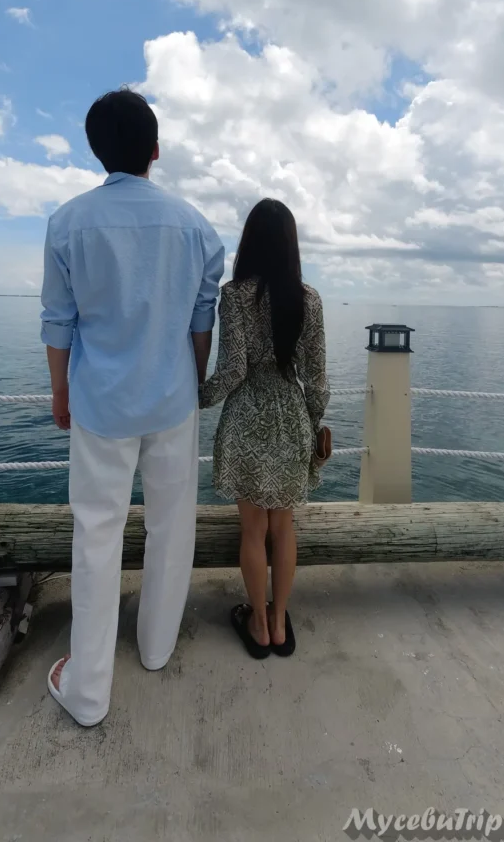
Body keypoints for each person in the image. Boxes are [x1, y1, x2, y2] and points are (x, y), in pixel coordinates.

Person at [41, 88, 224, 726]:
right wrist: (195, 379)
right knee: (173, 529)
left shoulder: (67, 224)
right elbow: (203, 321)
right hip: (173, 401)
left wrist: (61, 391)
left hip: (99, 406)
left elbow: (58, 321)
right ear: (155, 150)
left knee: (96, 536)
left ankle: (87, 691)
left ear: (97, 151)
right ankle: (154, 648)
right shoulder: (197, 227)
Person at [199, 199, 329, 659]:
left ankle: (256, 622)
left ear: (249, 241)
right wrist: (314, 426)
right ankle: (279, 621)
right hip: (291, 418)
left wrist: (196, 398)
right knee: (284, 528)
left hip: (247, 421)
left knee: (253, 531)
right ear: (292, 245)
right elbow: (315, 379)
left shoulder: (234, 297)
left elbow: (232, 372)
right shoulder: (309, 299)